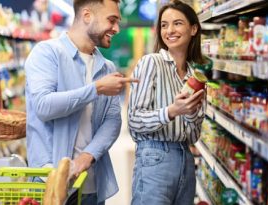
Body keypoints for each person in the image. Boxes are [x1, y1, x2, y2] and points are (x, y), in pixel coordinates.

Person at [24, 0, 138, 204]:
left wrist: (86, 158)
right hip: (49, 183)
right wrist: (96, 89)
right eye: (111, 20)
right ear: (87, 16)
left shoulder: (107, 67)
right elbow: (43, 106)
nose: (117, 28)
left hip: (91, 185)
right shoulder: (47, 53)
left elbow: (112, 121)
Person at [128, 1, 207, 204]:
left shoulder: (195, 77)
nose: (169, 30)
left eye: (177, 23)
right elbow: (134, 121)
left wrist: (189, 113)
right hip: (155, 158)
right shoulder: (151, 63)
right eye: (164, 25)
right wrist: (171, 111)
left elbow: (194, 135)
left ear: (193, 29)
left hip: (186, 161)